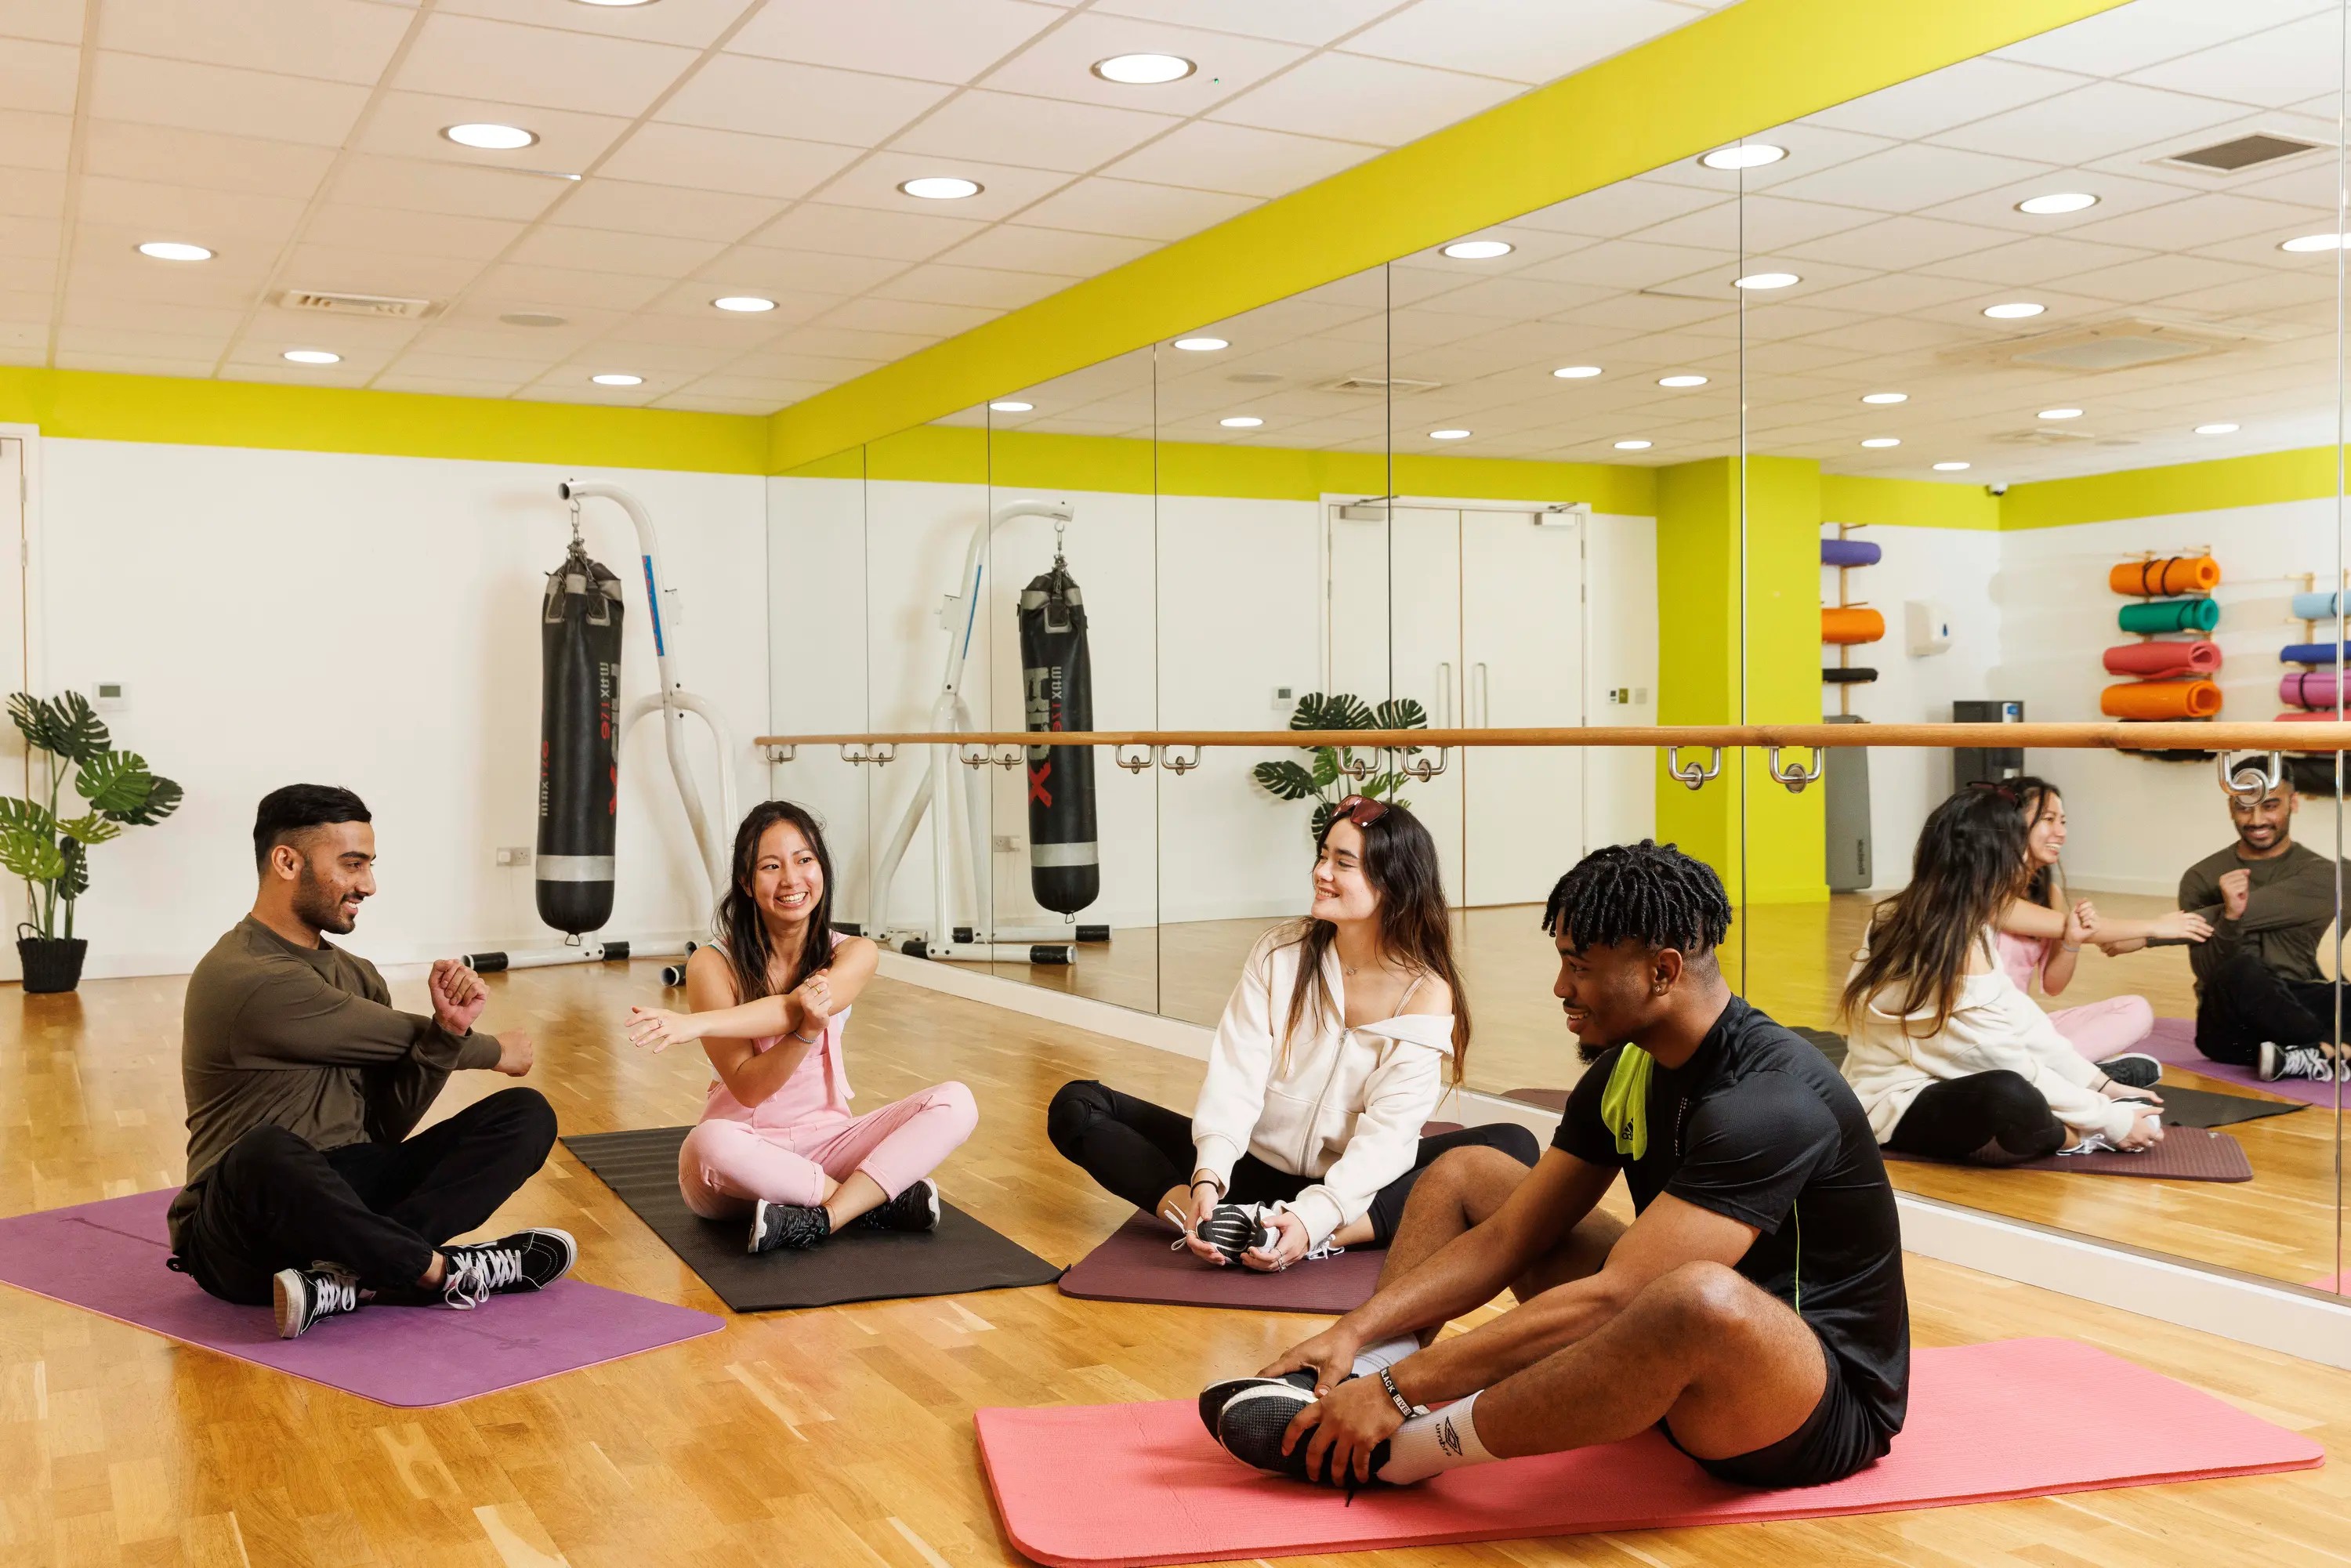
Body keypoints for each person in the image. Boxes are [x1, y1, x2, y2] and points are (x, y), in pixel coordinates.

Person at [1197, 841, 1908, 1494]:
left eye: (1582, 966)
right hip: (1665, 1352)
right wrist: (1354, 1330)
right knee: (1468, 1170)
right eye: (1564, 960)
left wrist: (1406, 1392)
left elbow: (1618, 1297)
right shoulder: (1625, 1071)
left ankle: (1404, 1451)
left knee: (1694, 1295)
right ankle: (1367, 1371)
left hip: (1811, 1403)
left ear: (1663, 970)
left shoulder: (1770, 1099)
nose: (1562, 987)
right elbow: (1510, 1237)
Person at [1047, 796, 1538, 1271]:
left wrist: (1313, 1217)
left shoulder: (1425, 992)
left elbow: (1388, 1139)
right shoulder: (1282, 952)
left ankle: (1321, 1237)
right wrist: (1208, 1180)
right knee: (1077, 1105)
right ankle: (1217, 1225)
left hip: (1345, 1189)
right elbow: (1236, 1075)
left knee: (1512, 1145)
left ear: (1393, 883)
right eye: (1323, 856)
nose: (1322, 873)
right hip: (1250, 1171)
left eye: (1342, 863)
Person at [170, 785, 573, 1342]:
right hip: (242, 1226)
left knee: (525, 1114)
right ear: (287, 861)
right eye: (352, 864)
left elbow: (383, 1127)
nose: (368, 884)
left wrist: (448, 1033)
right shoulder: (244, 976)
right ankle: (438, 1271)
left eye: (369, 865)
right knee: (266, 1149)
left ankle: (349, 1279)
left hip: (348, 1196)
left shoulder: (358, 974)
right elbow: (396, 1035)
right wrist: (491, 1049)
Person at [625, 801, 976, 1252]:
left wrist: (697, 1023)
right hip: (742, 1157)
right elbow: (749, 1089)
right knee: (706, 1144)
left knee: (956, 1102)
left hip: (829, 1141)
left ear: (822, 869)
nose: (791, 879)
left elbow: (795, 1007)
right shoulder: (712, 964)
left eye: (804, 860)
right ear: (747, 884)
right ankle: (865, 1204)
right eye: (771, 866)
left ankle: (824, 1219)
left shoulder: (855, 953)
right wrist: (804, 1035)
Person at [1840, 789, 2164, 1167]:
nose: (2025, 860)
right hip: (1893, 1106)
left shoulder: (1964, 924)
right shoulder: (1934, 936)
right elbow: (2007, 1062)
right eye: (2018, 850)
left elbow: (2022, 1019)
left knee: (2022, 1073)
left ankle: (2081, 1101)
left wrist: (2103, 1087)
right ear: (1995, 860)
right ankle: (2075, 1136)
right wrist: (2112, 1121)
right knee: (2009, 1092)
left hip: (1951, 1075)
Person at [1990, 776, 2209, 1088]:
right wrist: (2155, 926)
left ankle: (2050, 1075)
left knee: (2137, 1010)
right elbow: (2071, 927)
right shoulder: (1986, 891)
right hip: (1984, 1035)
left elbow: (2053, 983)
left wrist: (2072, 943)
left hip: (2024, 1031)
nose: (2061, 833)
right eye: (2048, 820)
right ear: (2012, 823)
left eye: (2063, 821)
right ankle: (2066, 1076)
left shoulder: (2048, 892)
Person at [2174, 772, 2348, 1081]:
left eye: (2269, 806)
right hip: (2232, 1026)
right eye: (2244, 807)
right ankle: (2328, 1049)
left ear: (2292, 803)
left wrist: (2143, 935)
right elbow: (2206, 971)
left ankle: (2313, 1055)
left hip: (2297, 1000)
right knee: (2243, 969)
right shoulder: (2201, 877)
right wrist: (2229, 917)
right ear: (2230, 807)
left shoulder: (2324, 874)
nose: (2256, 819)